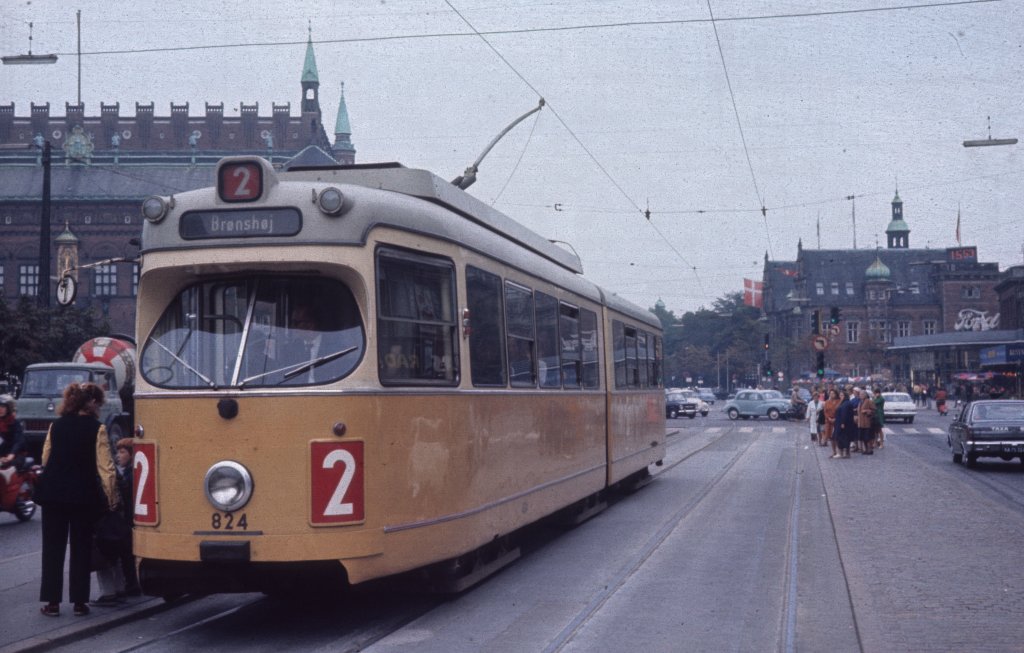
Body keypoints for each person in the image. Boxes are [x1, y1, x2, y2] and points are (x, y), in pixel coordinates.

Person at [34, 383, 117, 618]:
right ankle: (79, 603)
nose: (99, 407)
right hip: (83, 497)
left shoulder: (55, 426)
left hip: (53, 495)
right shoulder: (97, 429)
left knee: (52, 549)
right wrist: (112, 499)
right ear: (90, 403)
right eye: (98, 402)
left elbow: (45, 458)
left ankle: (52, 603)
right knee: (80, 549)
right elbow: (106, 468)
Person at [93, 438, 140, 605]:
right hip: (118, 519)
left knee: (105, 555)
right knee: (119, 555)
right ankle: (122, 588)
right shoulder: (116, 471)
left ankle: (109, 593)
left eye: (122, 452)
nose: (118, 455)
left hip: (109, 519)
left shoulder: (102, 470)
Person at [856, 388, 875, 455]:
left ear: (865, 395)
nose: (861, 395)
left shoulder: (869, 401)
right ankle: (866, 449)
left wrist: (867, 411)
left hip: (867, 423)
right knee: (863, 437)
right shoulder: (860, 402)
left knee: (867, 437)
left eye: (862, 394)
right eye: (860, 394)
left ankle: (869, 449)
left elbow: (874, 410)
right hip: (861, 423)